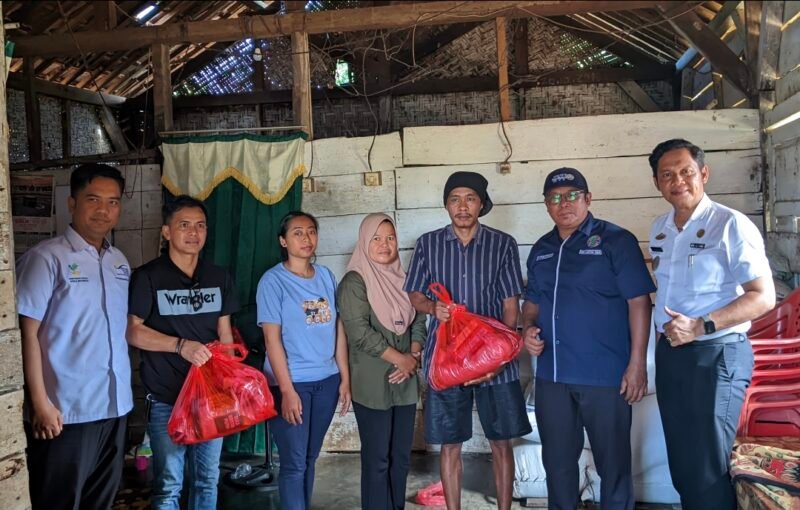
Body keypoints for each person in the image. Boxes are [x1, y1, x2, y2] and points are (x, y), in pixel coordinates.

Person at [647, 139, 775, 509]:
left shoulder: (729, 224)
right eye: (667, 175)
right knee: (683, 461)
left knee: (707, 465)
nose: (678, 181)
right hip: (672, 354)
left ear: (703, 173)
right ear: (657, 183)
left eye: (686, 171)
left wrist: (703, 325)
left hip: (717, 354)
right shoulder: (660, 228)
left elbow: (763, 296)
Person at [521, 168, 655, 510]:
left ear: (588, 198)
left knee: (613, 465)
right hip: (553, 376)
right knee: (558, 464)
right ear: (546, 205)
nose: (563, 204)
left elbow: (639, 301)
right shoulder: (542, 249)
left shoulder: (616, 241)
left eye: (571, 196)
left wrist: (636, 364)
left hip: (604, 375)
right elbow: (531, 304)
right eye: (554, 198)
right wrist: (528, 330)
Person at [404, 171, 531, 510]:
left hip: (495, 362)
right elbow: (415, 295)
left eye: (470, 199)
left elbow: (509, 305)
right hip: (446, 360)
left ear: (481, 204)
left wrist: (499, 359)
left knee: (501, 442)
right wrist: (433, 307)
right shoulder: (428, 244)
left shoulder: (502, 243)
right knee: (450, 444)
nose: (462, 206)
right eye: (455, 199)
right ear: (446, 204)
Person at [16, 163, 133, 510]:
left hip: (115, 406)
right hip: (65, 413)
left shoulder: (119, 261)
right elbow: (27, 333)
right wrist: (39, 402)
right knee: (59, 502)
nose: (104, 210)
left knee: (101, 501)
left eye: (113, 202)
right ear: (72, 203)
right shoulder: (46, 259)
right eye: (93, 199)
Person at [127, 195, 240, 510]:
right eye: (184, 225)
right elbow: (133, 330)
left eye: (200, 226)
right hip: (166, 399)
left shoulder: (219, 277)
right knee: (169, 486)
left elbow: (225, 332)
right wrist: (180, 346)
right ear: (166, 232)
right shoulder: (148, 277)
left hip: (210, 399)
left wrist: (228, 380)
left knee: (207, 480)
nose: (194, 233)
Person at [256, 211, 352, 510]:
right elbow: (272, 340)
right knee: (294, 463)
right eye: (297, 233)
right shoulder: (273, 281)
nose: (306, 238)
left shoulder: (325, 275)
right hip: (292, 383)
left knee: (310, 458)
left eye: (311, 231)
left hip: (326, 381)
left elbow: (338, 327)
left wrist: (345, 378)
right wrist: (286, 391)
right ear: (283, 240)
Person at [338, 213, 426, 510]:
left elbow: (418, 318)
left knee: (400, 457)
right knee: (377, 459)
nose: (384, 244)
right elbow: (359, 332)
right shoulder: (354, 281)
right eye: (376, 238)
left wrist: (412, 356)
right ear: (364, 242)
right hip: (373, 383)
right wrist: (400, 359)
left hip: (405, 383)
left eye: (390, 238)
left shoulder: (405, 278)